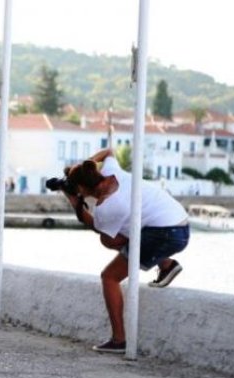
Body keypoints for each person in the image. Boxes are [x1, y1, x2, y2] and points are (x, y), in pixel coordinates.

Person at [63, 148, 189, 354]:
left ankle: (119, 340)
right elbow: (109, 151)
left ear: (83, 188)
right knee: (112, 238)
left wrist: (76, 205)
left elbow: (97, 227)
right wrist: (88, 162)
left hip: (164, 234)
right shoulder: (113, 171)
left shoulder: (107, 206)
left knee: (109, 277)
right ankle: (166, 265)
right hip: (180, 224)